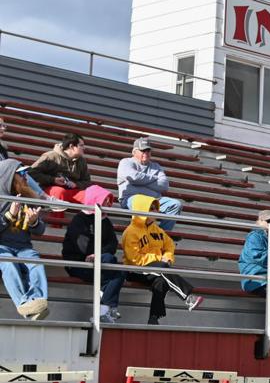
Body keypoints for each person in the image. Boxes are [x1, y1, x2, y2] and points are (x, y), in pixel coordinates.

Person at [121, 194, 204, 324]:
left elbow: (169, 244)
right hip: (134, 270)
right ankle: (188, 297)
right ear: (142, 210)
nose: (156, 211)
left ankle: (154, 318)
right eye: (151, 208)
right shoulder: (130, 232)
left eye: (155, 207)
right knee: (162, 269)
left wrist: (168, 257)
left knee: (161, 282)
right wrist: (159, 259)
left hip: (156, 268)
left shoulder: (157, 229)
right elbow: (134, 259)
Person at [0, 159, 50, 320]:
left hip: (24, 247)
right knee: (8, 264)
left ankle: (38, 302)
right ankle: (24, 304)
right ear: (9, 176)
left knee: (35, 262)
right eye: (21, 174)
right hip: (2, 247)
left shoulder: (29, 197)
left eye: (26, 173)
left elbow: (40, 230)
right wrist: (9, 216)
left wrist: (34, 221)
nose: (25, 178)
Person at [62, 196, 125, 323]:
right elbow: (81, 244)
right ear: (96, 199)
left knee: (117, 268)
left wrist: (98, 255)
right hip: (78, 264)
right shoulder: (79, 219)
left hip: (100, 262)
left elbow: (113, 243)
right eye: (105, 200)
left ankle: (103, 311)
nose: (108, 203)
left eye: (109, 201)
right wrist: (97, 254)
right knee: (115, 271)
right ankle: (107, 309)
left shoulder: (105, 220)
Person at [28, 133, 114, 207]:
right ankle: (57, 224)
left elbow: (87, 182)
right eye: (81, 145)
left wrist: (76, 184)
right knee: (59, 192)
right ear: (72, 146)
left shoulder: (82, 161)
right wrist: (53, 180)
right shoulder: (50, 156)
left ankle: (93, 223)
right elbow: (31, 173)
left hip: (73, 191)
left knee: (99, 194)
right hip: (50, 190)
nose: (84, 148)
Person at [117, 138, 182, 232]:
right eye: (143, 150)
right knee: (142, 201)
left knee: (175, 204)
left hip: (154, 200)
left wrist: (142, 181)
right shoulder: (126, 162)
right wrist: (154, 178)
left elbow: (164, 185)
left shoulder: (156, 166)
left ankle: (161, 235)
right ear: (134, 152)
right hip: (132, 198)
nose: (146, 153)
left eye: (148, 151)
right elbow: (134, 177)